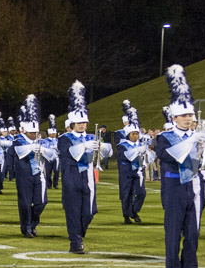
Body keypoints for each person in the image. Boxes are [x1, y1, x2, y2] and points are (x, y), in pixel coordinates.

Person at [154, 65, 205, 268]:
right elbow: (166, 156)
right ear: (174, 117)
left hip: (194, 187)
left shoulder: (197, 135)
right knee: (174, 233)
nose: (188, 118)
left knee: (193, 234)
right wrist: (190, 142)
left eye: (190, 115)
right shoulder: (164, 137)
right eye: (184, 115)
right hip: (174, 188)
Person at [57, 81, 111, 254]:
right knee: (73, 210)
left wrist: (101, 147)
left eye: (84, 122)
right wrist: (86, 146)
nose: (82, 125)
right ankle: (76, 241)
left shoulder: (90, 136)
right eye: (78, 122)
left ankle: (78, 233)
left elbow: (108, 151)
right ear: (72, 123)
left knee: (89, 211)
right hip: (71, 176)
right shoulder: (64, 138)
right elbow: (70, 152)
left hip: (88, 175)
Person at [13, 96, 54, 238]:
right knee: (25, 203)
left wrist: (41, 149)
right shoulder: (18, 140)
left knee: (41, 202)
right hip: (24, 175)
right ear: (25, 132)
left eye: (36, 133)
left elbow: (52, 155)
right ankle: (27, 228)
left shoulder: (40, 140)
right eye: (31, 133)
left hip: (38, 173)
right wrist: (32, 147)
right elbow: (19, 152)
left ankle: (33, 223)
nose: (34, 135)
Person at [116, 102, 150, 225]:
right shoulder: (122, 145)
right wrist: (137, 150)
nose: (135, 136)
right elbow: (125, 156)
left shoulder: (141, 144)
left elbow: (149, 157)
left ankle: (134, 211)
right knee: (126, 194)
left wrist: (146, 152)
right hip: (126, 172)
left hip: (138, 171)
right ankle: (126, 215)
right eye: (133, 134)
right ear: (128, 135)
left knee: (141, 193)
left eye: (137, 134)